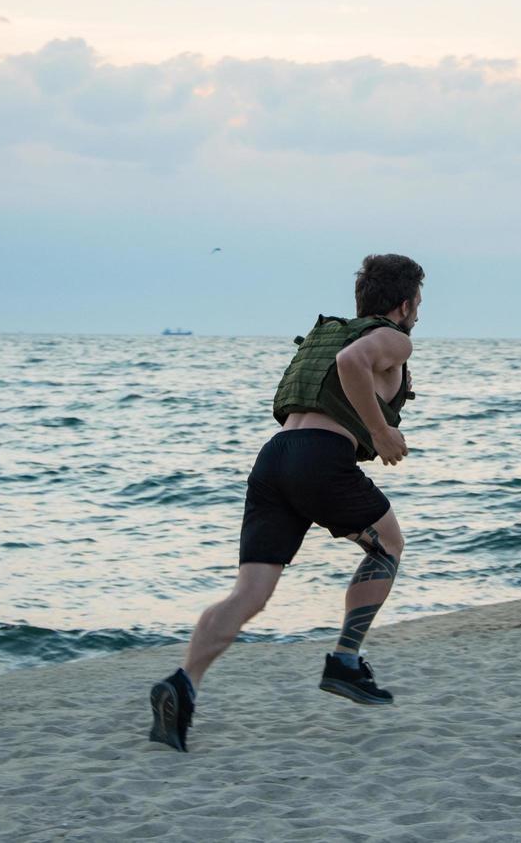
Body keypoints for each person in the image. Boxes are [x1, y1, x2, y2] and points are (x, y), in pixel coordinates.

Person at [148, 253, 425, 752]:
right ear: (404, 305)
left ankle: (183, 684)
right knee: (388, 544)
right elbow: (350, 364)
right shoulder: (393, 337)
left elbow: (346, 368)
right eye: (419, 304)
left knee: (249, 594)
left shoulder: (341, 333)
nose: (420, 314)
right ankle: (344, 661)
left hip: (273, 460)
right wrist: (382, 432)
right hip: (319, 459)